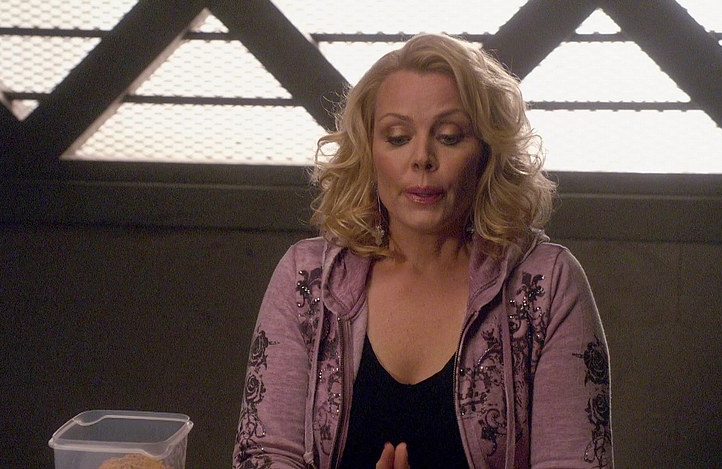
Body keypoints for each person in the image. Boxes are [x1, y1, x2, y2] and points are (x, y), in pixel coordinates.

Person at [233, 33, 612, 469]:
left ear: (487, 152)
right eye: (397, 137)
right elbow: (262, 456)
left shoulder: (547, 285)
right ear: (368, 152)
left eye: (449, 136)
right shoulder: (307, 281)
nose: (422, 158)